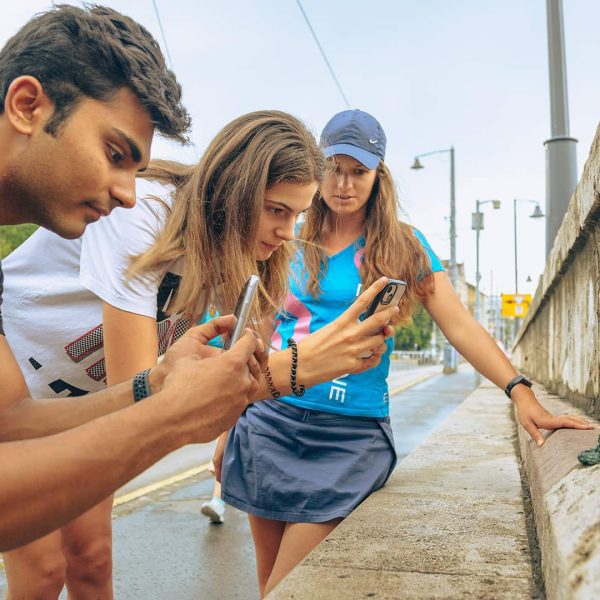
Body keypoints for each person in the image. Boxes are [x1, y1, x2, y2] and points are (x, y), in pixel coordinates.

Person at [1, 109, 397, 596]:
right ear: (233, 191)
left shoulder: (244, 253)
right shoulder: (143, 210)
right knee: (43, 570)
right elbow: (148, 395)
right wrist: (300, 366)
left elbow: (223, 375)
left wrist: (232, 418)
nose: (289, 231)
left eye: (298, 214)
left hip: (88, 399)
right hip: (19, 393)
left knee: (92, 560)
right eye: (276, 210)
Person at [215, 109, 594, 598]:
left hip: (349, 437)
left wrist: (521, 393)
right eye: (334, 168)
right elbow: (258, 333)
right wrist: (229, 424)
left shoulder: (403, 245)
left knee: (289, 587)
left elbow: (461, 326)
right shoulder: (290, 235)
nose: (344, 184)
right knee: (270, 586)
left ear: (378, 176)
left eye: (359, 172)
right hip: (270, 423)